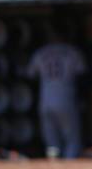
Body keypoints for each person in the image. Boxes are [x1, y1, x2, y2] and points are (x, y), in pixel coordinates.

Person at [27, 25, 86, 159]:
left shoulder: (41, 52)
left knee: (52, 143)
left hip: (45, 100)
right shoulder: (72, 52)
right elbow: (82, 77)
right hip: (65, 98)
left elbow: (30, 76)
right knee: (72, 140)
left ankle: (53, 168)